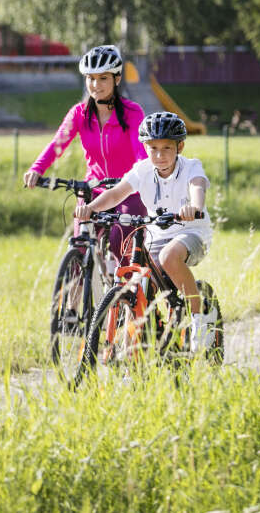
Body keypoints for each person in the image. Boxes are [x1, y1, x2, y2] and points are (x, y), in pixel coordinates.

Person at [73, 111, 216, 351]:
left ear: (180, 146)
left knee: (168, 257)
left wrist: (195, 206)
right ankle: (132, 357)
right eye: (153, 148)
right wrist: (91, 208)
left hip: (191, 232)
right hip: (156, 233)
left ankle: (199, 319)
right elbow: (117, 193)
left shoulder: (191, 167)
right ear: (145, 148)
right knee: (135, 283)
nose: (159, 155)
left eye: (167, 148)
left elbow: (197, 186)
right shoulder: (143, 170)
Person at [23, 44, 148, 261]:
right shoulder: (79, 114)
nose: (95, 85)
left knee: (121, 244)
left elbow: (141, 152)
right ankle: (74, 290)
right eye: (90, 78)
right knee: (79, 246)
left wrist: (141, 175)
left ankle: (126, 293)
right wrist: (37, 168)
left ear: (116, 79)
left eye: (103, 78)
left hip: (128, 190)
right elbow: (57, 145)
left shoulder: (132, 112)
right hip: (94, 189)